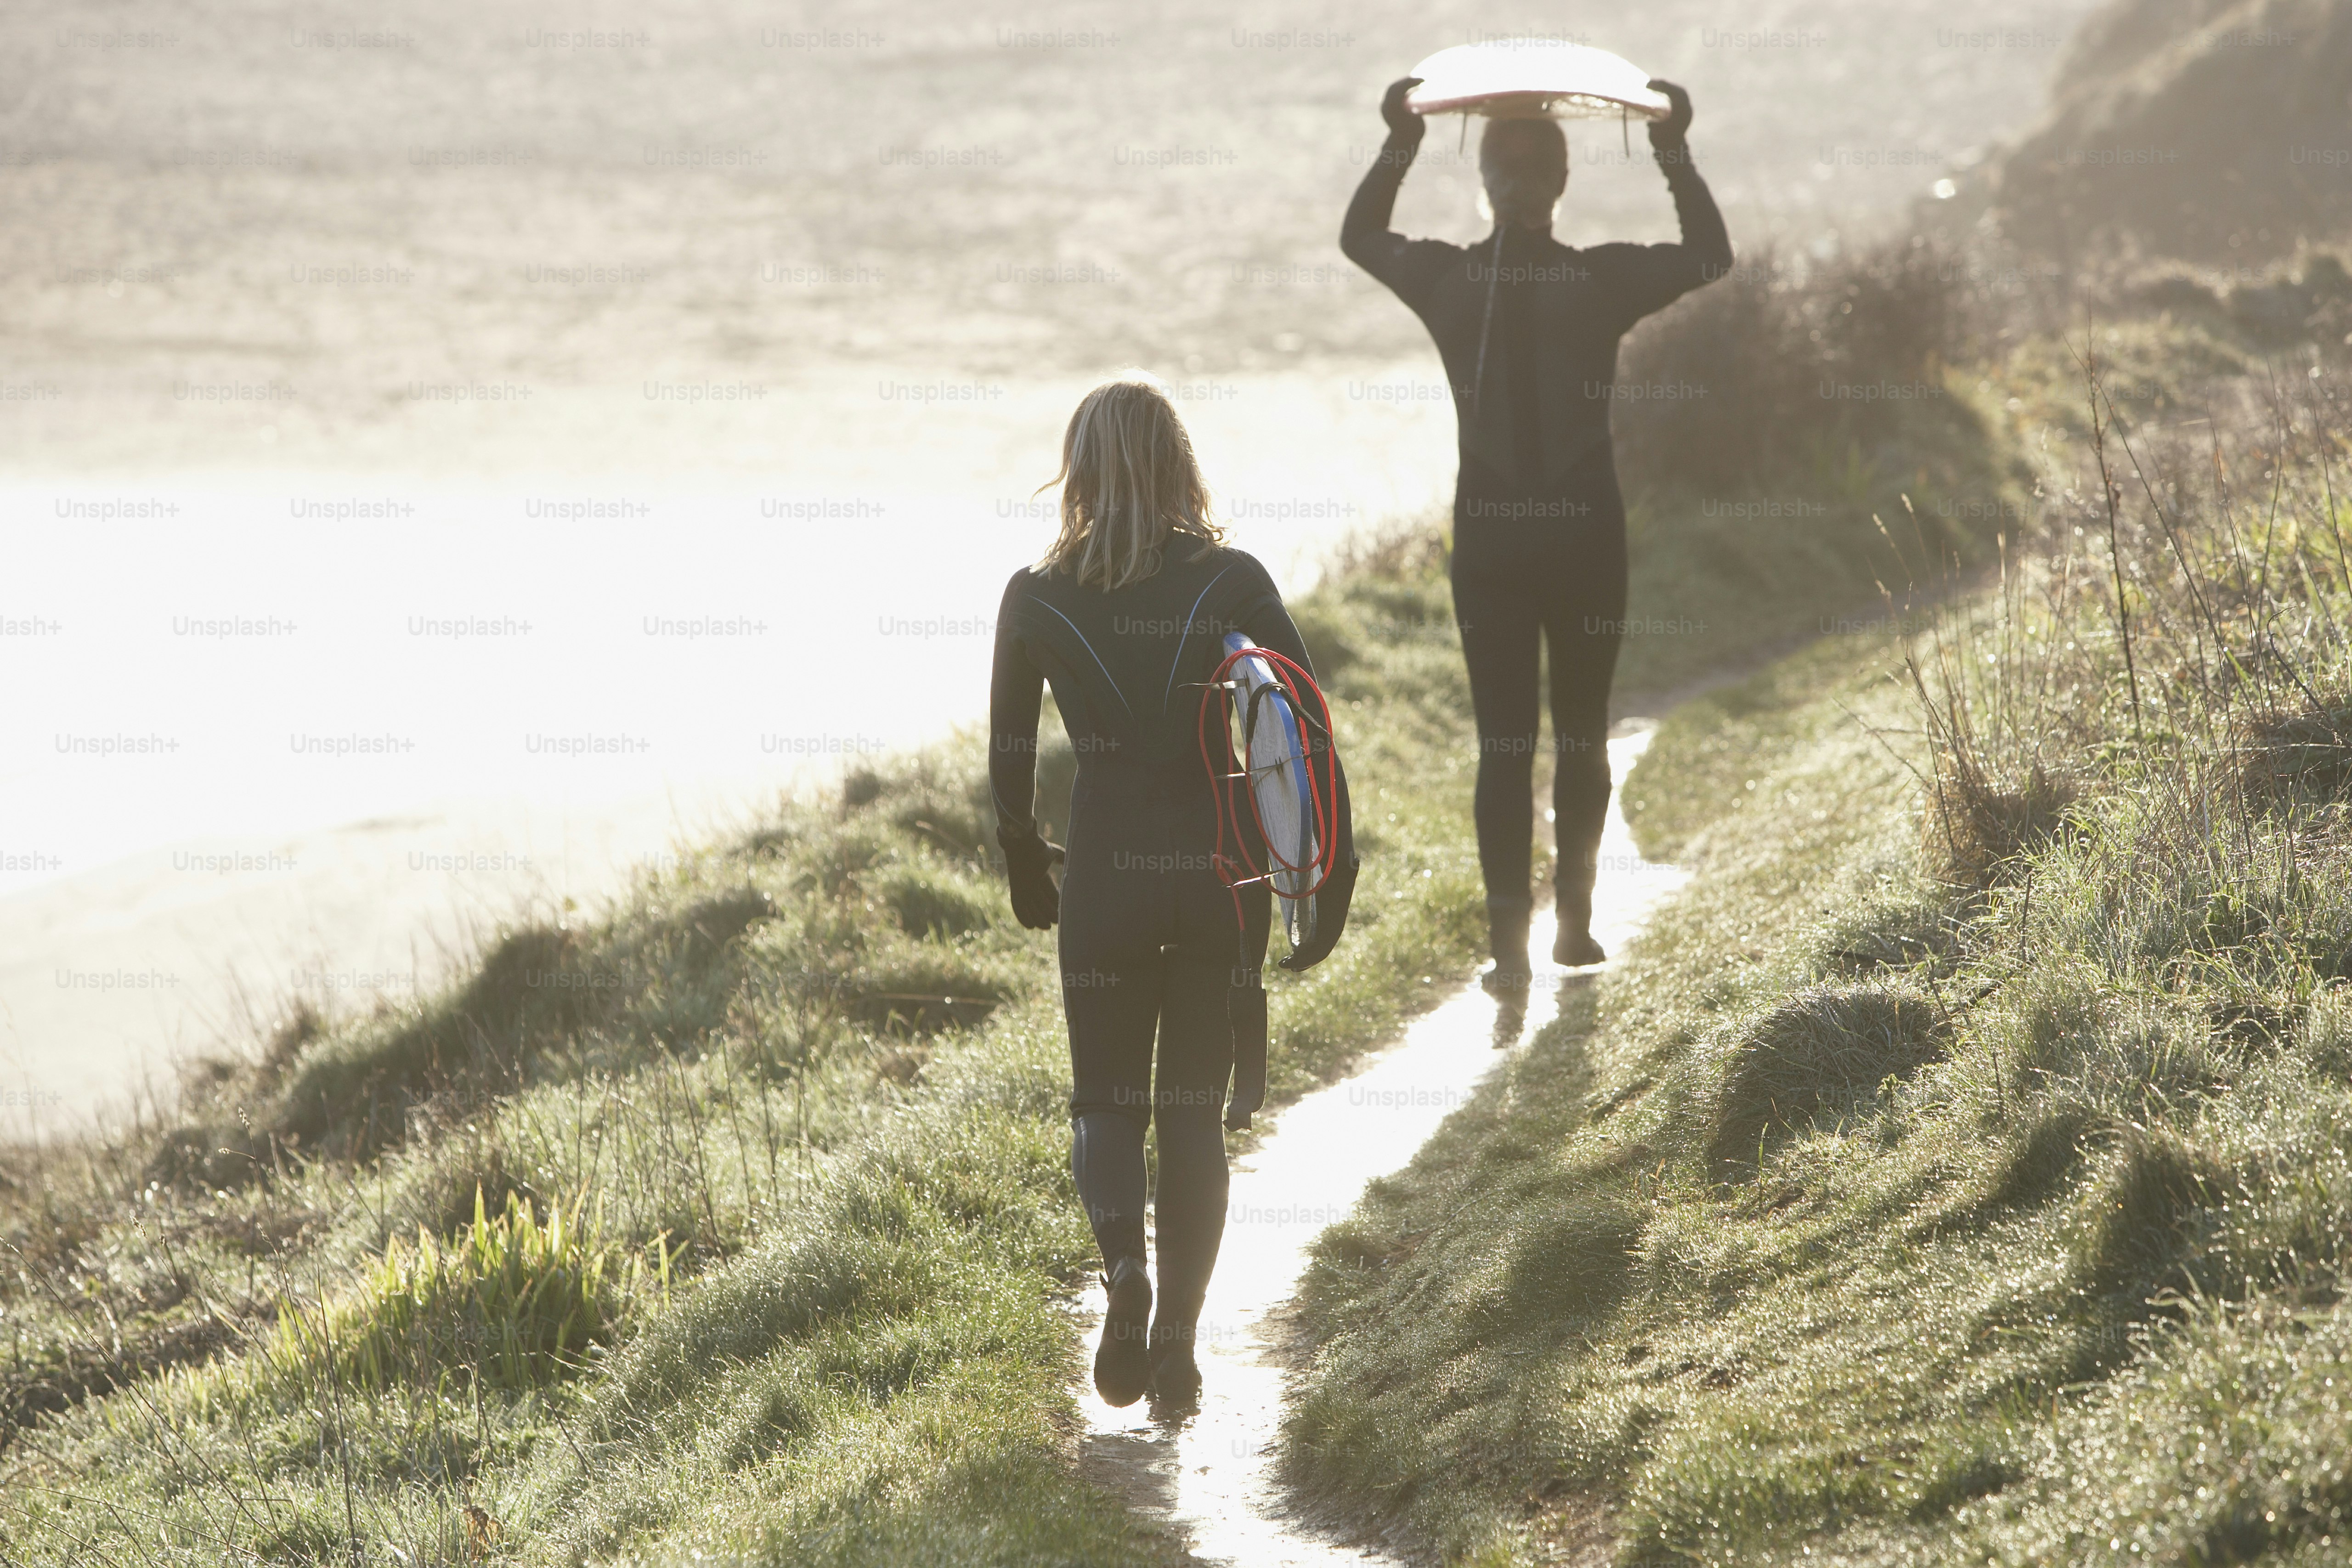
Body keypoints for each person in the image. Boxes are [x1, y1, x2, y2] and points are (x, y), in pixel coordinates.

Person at [989, 375, 1358, 1407]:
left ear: (1082, 470)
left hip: (1104, 878)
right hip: (1217, 878)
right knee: (1192, 1119)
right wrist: (1335, 870)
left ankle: (1126, 1275)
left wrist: (1026, 859)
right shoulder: (1232, 578)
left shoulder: (1035, 594)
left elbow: (1008, 756)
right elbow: (1310, 725)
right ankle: (1181, 1351)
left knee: (1104, 1105)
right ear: (1177, 464)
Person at [1340, 74, 1730, 988]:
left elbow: (1359, 237)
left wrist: (1399, 140)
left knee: (1503, 745)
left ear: (1485, 183)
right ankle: (1576, 927)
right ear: (1559, 185)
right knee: (1582, 734)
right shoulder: (1600, 280)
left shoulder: (1444, 278)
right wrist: (1670, 145)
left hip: (1488, 545)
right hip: (1585, 535)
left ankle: (1508, 944)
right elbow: (1709, 255)